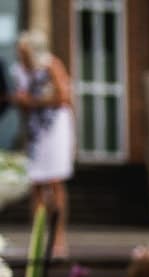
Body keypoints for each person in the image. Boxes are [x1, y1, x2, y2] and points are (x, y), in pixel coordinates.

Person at [10, 32, 74, 257]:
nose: (21, 57)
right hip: (36, 132)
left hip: (55, 129)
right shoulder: (19, 71)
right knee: (36, 182)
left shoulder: (51, 65)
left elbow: (65, 97)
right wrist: (21, 102)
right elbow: (23, 102)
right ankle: (38, 240)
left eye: (24, 53)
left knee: (54, 182)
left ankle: (58, 239)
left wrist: (34, 101)